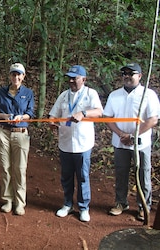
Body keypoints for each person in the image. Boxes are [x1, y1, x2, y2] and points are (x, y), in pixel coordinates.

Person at [103, 62, 159, 221]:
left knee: (143, 175)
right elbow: (107, 118)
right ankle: (121, 202)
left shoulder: (148, 94)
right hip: (120, 142)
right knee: (121, 174)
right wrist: (121, 134)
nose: (126, 76)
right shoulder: (115, 95)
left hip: (141, 144)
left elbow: (153, 119)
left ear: (140, 76)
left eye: (131, 73)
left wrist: (133, 135)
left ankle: (144, 206)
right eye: (124, 73)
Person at [49, 65, 103, 222]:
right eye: (70, 78)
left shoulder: (90, 94)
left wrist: (83, 113)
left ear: (84, 79)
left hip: (83, 143)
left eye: (75, 78)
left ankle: (84, 207)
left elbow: (99, 112)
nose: (71, 81)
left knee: (82, 176)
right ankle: (67, 204)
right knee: (66, 176)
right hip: (65, 142)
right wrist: (52, 123)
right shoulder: (64, 95)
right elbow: (53, 114)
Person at [0, 63, 35, 216]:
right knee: (5, 167)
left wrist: (21, 117)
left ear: (23, 76)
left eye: (19, 75)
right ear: (9, 76)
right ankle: (7, 199)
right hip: (3, 132)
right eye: (13, 74)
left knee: (20, 168)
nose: (16, 77)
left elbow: (30, 113)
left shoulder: (28, 93)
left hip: (20, 132)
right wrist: (4, 116)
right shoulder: (1, 92)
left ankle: (20, 202)